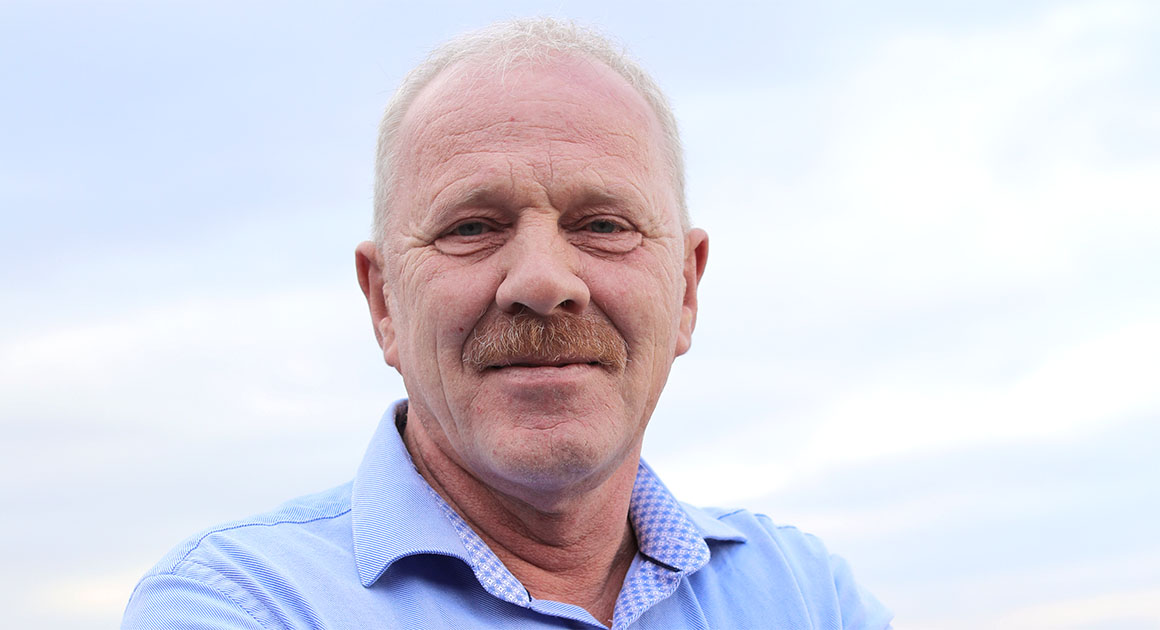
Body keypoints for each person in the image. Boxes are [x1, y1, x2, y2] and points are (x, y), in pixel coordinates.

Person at [122, 18, 892, 629]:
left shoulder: (803, 593)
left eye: (603, 224)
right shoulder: (242, 605)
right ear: (384, 303)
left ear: (686, 290)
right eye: (471, 228)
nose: (543, 283)